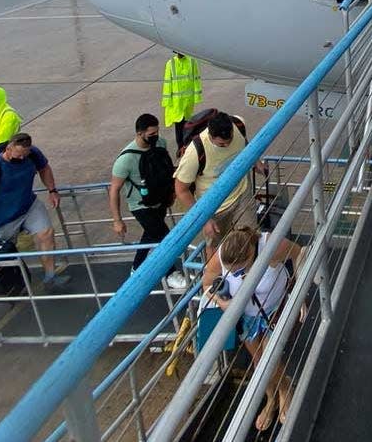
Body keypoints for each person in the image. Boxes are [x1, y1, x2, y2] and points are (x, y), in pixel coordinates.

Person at [201, 226, 305, 430]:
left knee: (269, 358)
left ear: (252, 253)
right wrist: (222, 304)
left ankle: (285, 390)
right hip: (247, 317)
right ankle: (271, 399)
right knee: (259, 362)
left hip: (273, 309)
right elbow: (206, 285)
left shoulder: (272, 246)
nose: (237, 275)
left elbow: (299, 254)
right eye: (232, 272)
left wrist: (299, 292)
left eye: (241, 270)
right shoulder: (221, 255)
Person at [0, 133, 70, 290]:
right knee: (3, 255)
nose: (22, 159)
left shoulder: (32, 154)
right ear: (8, 149)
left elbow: (44, 168)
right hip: (2, 219)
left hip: (28, 206)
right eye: (18, 155)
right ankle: (10, 287)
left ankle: (50, 277)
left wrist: (52, 190)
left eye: (25, 155)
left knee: (47, 234)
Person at [109, 113, 186, 289]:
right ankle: (170, 273)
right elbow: (114, 190)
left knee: (150, 235)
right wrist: (117, 220)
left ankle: (136, 268)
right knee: (165, 238)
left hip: (160, 200)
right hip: (140, 206)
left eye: (157, 132)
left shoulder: (160, 144)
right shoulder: (125, 160)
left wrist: (171, 193)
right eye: (151, 133)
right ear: (139, 133)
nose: (155, 136)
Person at [174, 112, 263, 252]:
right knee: (216, 250)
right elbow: (181, 190)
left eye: (229, 140)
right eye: (222, 144)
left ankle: (246, 273)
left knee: (249, 240)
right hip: (214, 209)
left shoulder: (237, 125)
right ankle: (216, 274)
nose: (227, 145)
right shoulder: (194, 152)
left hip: (242, 194)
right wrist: (203, 220)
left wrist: (256, 160)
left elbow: (244, 142)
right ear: (210, 135)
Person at [162, 52, 202, 148]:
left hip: (188, 102)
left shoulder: (192, 62)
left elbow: (196, 79)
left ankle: (185, 145)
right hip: (177, 103)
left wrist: (197, 97)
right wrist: (167, 101)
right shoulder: (170, 64)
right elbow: (167, 84)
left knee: (187, 125)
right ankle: (180, 147)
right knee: (179, 126)